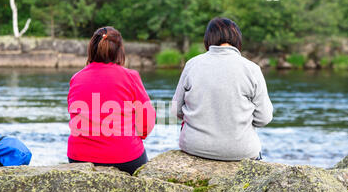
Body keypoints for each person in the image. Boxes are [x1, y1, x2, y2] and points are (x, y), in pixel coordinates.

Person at [172, 17, 273, 161]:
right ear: (237, 39)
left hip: (195, 146)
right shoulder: (252, 69)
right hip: (241, 150)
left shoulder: (192, 64)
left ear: (208, 39)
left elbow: (175, 109)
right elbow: (264, 118)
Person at [67, 26, 156, 174]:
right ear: (120, 51)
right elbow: (146, 121)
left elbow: (75, 116)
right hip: (124, 156)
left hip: (79, 157)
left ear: (91, 49)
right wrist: (138, 135)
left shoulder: (77, 78)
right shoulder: (130, 76)